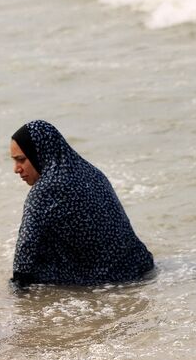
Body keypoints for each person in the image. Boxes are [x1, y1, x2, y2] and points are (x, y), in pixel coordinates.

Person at [10, 120, 154, 286]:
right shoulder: (91, 172)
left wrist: (18, 293)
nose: (16, 168)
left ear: (39, 153)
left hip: (108, 281)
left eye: (21, 160)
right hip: (140, 266)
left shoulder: (43, 191)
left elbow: (25, 253)